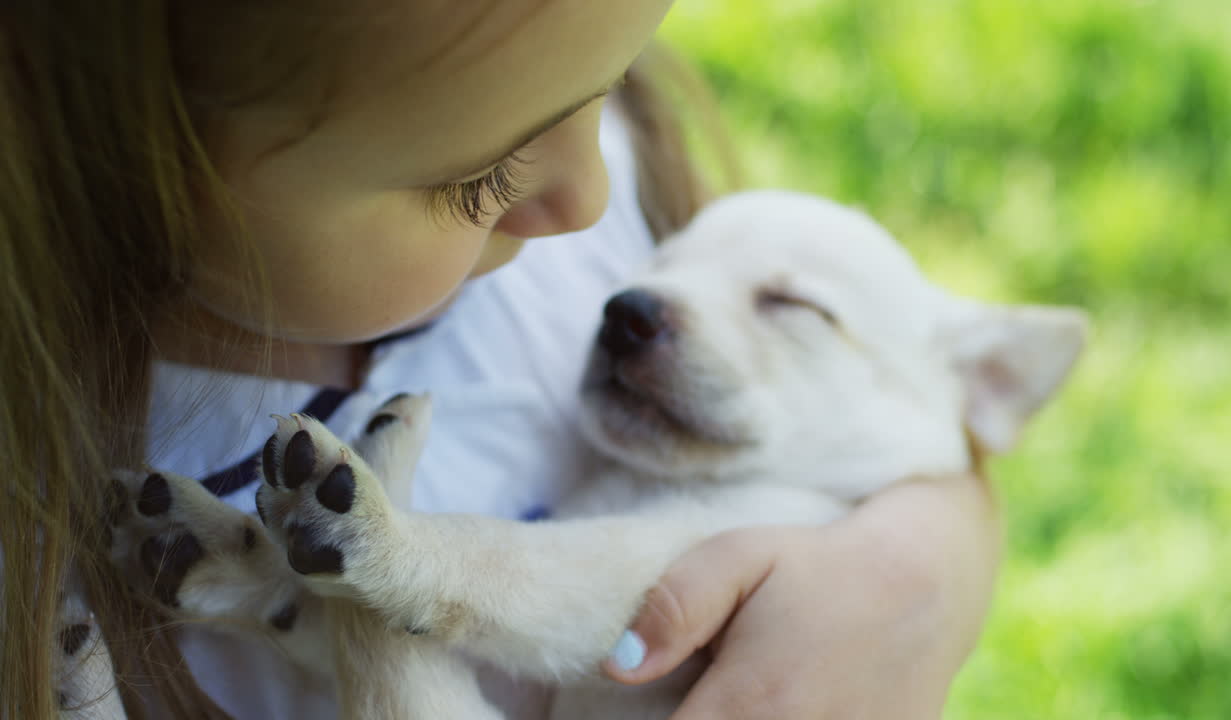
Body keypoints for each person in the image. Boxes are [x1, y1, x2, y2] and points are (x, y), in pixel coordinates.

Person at [0, 2, 1000, 718]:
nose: (591, 199)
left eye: (610, 84)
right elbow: (607, 589)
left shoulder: (560, 154)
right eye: (478, 177)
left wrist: (918, 567)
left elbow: (635, 581)